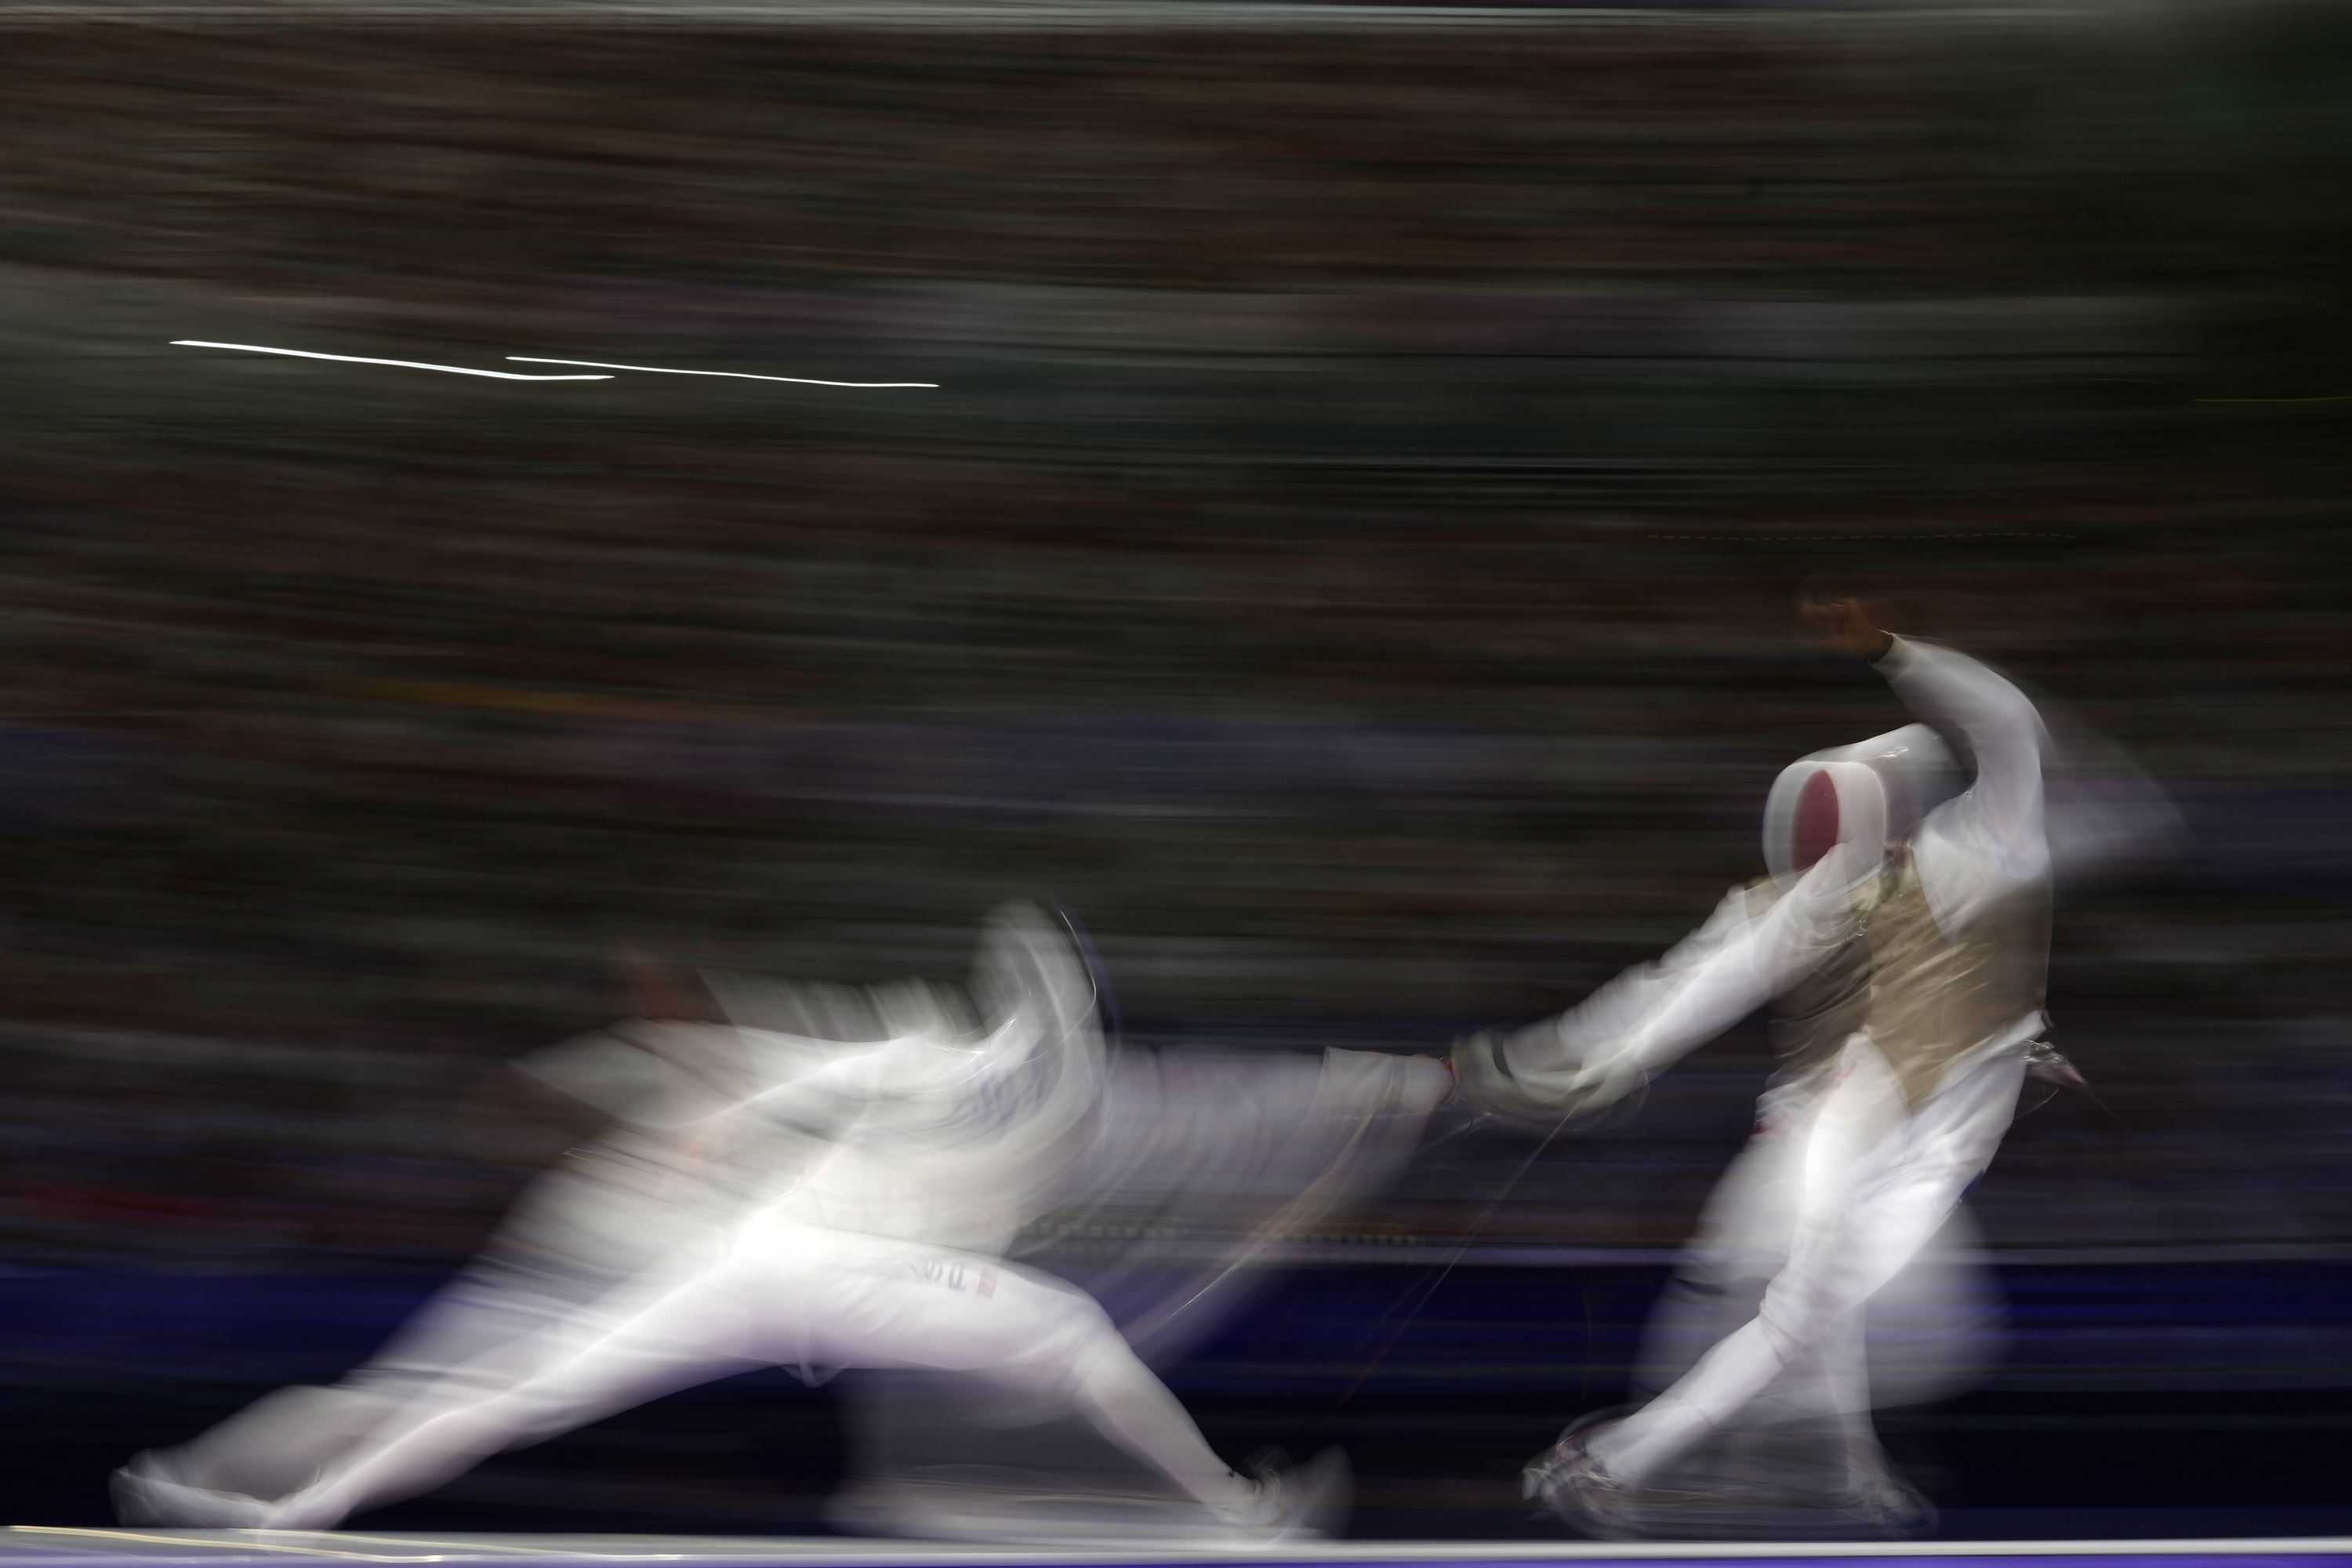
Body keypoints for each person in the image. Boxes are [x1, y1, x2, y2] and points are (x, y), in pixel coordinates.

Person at [136, 906, 1350, 1542]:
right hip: (817, 1267)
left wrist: (714, 1117)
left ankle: (284, 1514)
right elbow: (794, 1059)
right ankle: (1237, 1513)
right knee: (1075, 1334)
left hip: (771, 1263)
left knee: (520, 1393)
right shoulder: (953, 1049)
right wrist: (714, 1114)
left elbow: (790, 1062)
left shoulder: (1039, 1084)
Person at [1454, 594, 2063, 1537]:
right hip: (1869, 1123)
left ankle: (1837, 1473)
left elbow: (2009, 724)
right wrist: (1586, 1064)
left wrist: (1901, 655)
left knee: (1821, 1312)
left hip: (1924, 1137)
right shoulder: (1836, 894)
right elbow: (1704, 977)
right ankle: (1611, 1461)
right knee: (1802, 1313)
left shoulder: (1983, 845)